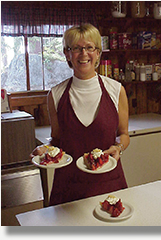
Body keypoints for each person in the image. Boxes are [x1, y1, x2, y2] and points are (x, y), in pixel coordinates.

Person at [30, 23, 130, 206]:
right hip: (68, 187)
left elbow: (123, 134)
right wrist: (46, 149)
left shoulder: (116, 90)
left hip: (108, 184)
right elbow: (57, 140)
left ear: (98, 52)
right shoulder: (56, 94)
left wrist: (119, 148)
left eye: (90, 47)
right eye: (76, 48)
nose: (84, 54)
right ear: (67, 54)